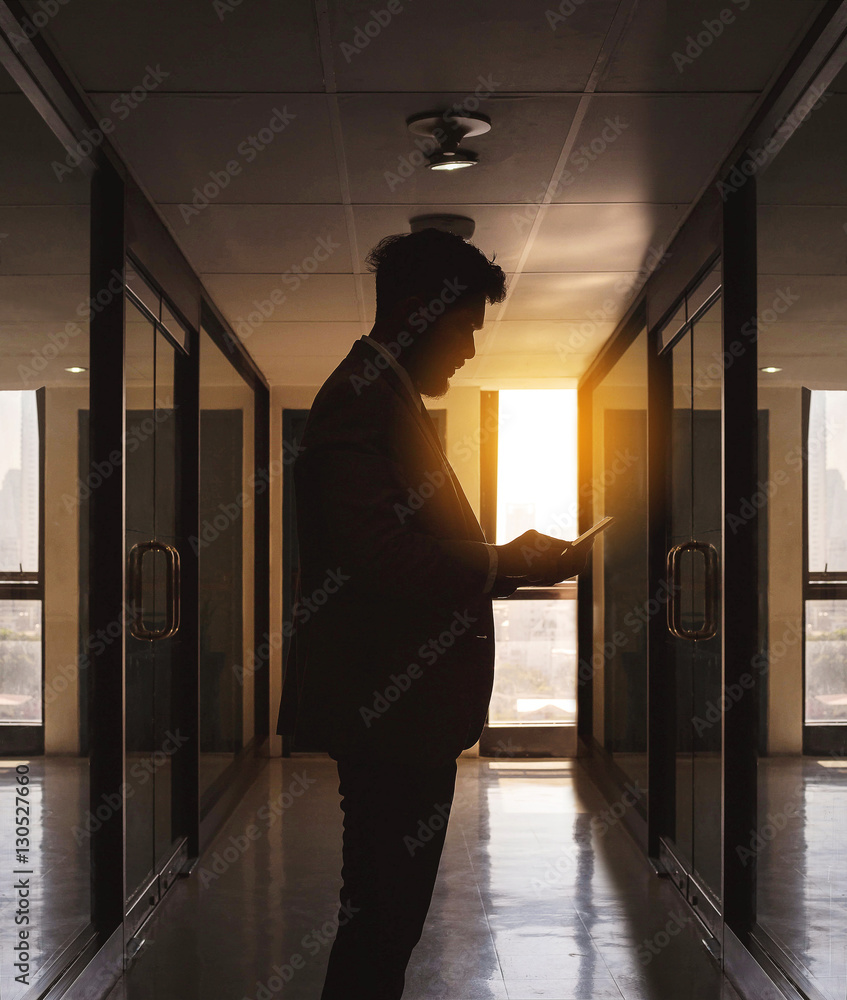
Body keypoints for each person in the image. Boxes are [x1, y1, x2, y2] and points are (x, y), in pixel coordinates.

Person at [275, 228, 593, 999]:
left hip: (401, 712)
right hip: (390, 714)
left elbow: (394, 546)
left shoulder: (380, 396)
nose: (467, 354)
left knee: (386, 917)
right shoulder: (360, 398)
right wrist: (500, 560)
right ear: (416, 314)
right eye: (461, 332)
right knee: (382, 918)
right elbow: (376, 555)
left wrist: (498, 559)